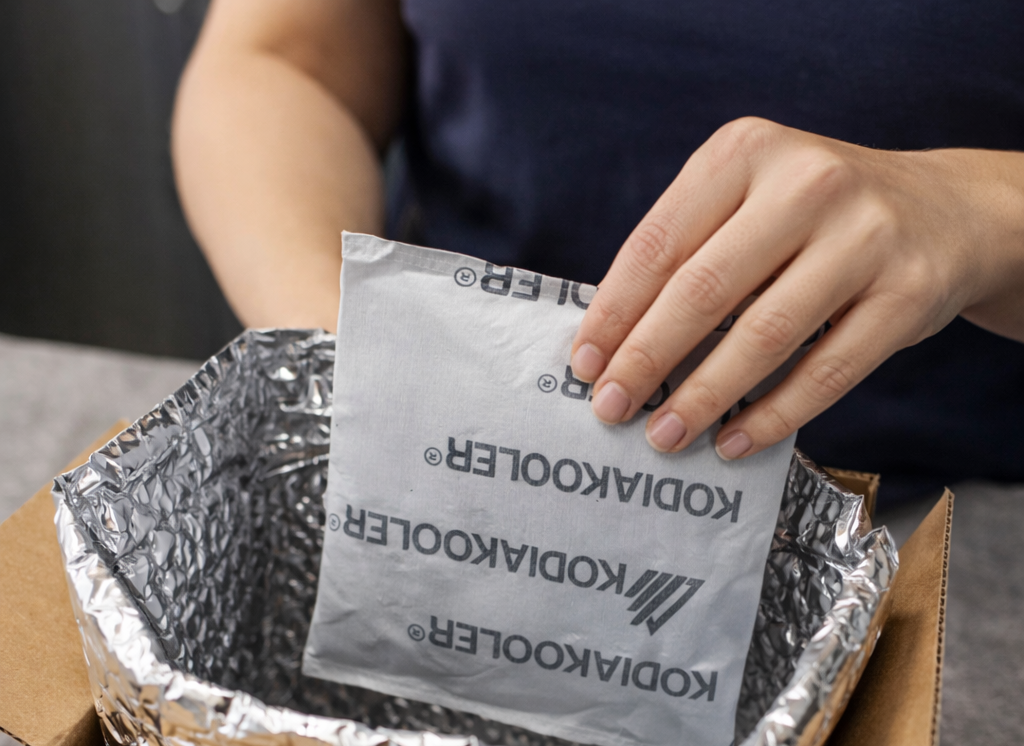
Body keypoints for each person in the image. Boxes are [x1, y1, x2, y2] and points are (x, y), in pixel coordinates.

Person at [172, 0, 1024, 506]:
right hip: (454, 479)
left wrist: (985, 213)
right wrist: (344, 347)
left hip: (960, 528)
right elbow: (288, 58)